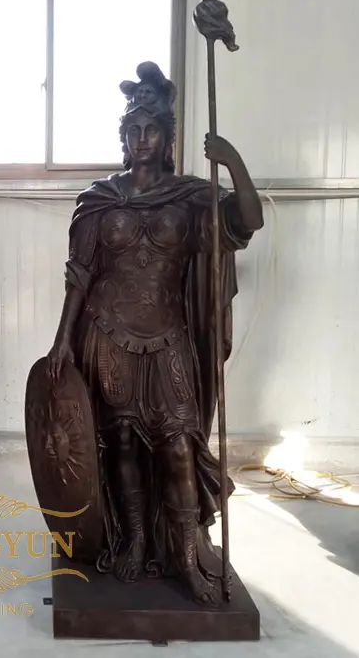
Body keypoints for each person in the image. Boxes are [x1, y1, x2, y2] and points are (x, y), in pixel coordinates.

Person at [46, 61, 263, 606]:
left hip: (169, 337)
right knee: (119, 441)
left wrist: (232, 162)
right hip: (107, 335)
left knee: (179, 447)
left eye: (152, 130)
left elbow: (248, 221)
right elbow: (79, 274)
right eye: (133, 129)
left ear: (168, 139)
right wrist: (62, 338)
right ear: (123, 138)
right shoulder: (99, 198)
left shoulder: (191, 197)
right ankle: (136, 539)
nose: (142, 139)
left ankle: (185, 556)